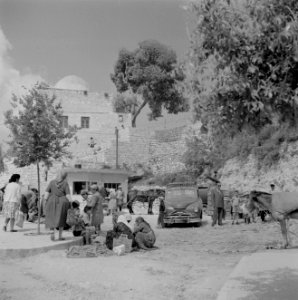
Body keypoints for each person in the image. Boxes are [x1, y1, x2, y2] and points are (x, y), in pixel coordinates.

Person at [44, 169, 71, 241]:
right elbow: (68, 195)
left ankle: (52, 232)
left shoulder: (52, 182)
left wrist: (45, 200)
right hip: (62, 201)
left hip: (52, 200)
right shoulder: (65, 183)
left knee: (51, 217)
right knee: (61, 218)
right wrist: (71, 202)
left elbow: (46, 193)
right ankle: (60, 236)